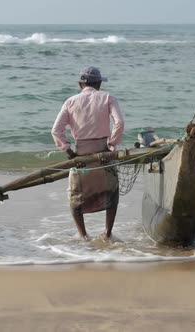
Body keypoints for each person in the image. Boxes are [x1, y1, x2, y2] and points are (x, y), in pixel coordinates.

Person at [51, 66, 125, 240]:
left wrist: (69, 151)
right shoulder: (108, 98)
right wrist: (111, 145)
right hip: (104, 154)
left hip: (81, 156)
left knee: (76, 195)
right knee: (111, 191)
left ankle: (83, 235)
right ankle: (107, 233)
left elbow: (56, 130)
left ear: (80, 84)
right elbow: (119, 123)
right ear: (98, 83)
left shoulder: (70, 102)